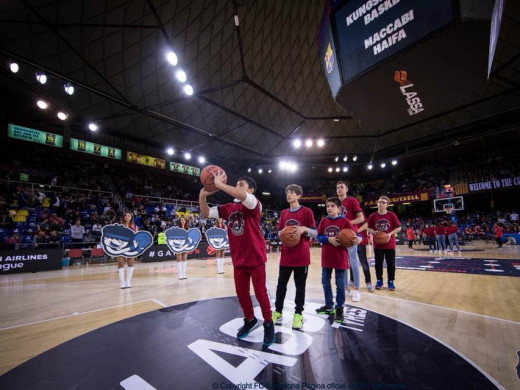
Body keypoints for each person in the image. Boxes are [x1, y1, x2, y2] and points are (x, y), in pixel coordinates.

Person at [199, 172, 275, 347]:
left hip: (255, 257)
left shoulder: (255, 204)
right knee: (241, 294)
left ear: (251, 189)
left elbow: (240, 195)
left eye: (241, 184)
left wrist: (219, 184)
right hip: (239, 258)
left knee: (261, 293)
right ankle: (250, 319)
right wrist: (202, 195)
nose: (237, 187)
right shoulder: (227, 208)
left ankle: (268, 323)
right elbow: (205, 212)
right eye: (237, 184)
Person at [272, 184, 317, 330]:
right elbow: (279, 231)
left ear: (298, 195)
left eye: (291, 193)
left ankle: (298, 314)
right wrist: (283, 234)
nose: (288, 195)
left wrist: (304, 229)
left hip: (301, 257)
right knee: (281, 286)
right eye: (287, 193)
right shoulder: (284, 213)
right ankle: (278, 311)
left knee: (300, 287)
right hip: (286, 256)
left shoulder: (307, 212)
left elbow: (316, 232)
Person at [315, 197, 358, 323]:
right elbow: (318, 236)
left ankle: (339, 308)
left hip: (340, 258)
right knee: (325, 282)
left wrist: (357, 239)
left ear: (339, 208)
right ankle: (329, 306)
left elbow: (355, 235)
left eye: (332, 206)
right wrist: (329, 239)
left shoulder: (345, 221)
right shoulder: (324, 221)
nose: (329, 208)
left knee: (340, 285)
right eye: (327, 206)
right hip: (327, 257)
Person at [336, 181, 365, 302]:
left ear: (346, 189)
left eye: (341, 187)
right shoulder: (335, 203)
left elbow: (361, 218)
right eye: (337, 188)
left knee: (353, 262)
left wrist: (346, 223)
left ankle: (357, 290)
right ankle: (345, 288)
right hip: (340, 236)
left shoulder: (352, 201)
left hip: (350, 235)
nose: (339, 189)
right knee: (342, 263)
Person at [367, 196, 401, 291]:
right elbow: (368, 227)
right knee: (378, 263)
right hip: (378, 244)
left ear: (387, 205)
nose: (381, 203)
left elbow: (399, 227)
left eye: (383, 202)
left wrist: (390, 233)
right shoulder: (372, 216)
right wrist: (372, 231)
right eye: (379, 202)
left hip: (389, 243)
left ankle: (391, 281)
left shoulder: (391, 215)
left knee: (391, 263)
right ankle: (379, 280)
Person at [349, 214, 374, 293]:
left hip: (360, 241)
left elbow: (366, 224)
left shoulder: (359, 212)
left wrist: (356, 232)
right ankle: (352, 280)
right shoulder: (344, 212)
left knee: (364, 263)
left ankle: (368, 282)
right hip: (350, 241)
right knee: (351, 263)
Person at [116, 212, 137, 289]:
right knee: (121, 263)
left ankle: (128, 281)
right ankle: (122, 282)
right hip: (120, 247)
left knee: (131, 264)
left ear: (131, 217)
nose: (127, 217)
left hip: (131, 247)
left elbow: (136, 237)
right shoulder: (119, 226)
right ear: (124, 217)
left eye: (129, 216)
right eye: (126, 216)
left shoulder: (135, 227)